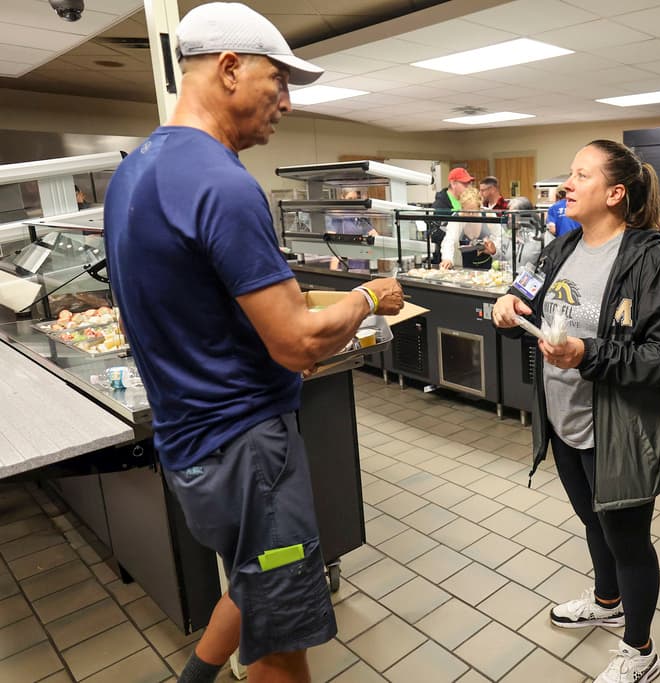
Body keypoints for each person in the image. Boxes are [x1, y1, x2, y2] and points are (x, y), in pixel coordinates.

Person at [103, 4, 405, 683]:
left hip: (191, 448)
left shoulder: (134, 172)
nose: (288, 102)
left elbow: (198, 300)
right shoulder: (223, 182)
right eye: (280, 80)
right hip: (248, 456)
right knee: (281, 638)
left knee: (255, 573)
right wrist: (367, 298)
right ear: (230, 68)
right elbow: (298, 344)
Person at [492, 139, 660, 683]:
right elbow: (532, 290)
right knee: (592, 521)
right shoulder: (562, 248)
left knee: (628, 539)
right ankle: (607, 600)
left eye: (580, 175)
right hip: (564, 420)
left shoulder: (649, 260)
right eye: (570, 173)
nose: (566, 184)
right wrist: (511, 300)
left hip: (619, 431)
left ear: (614, 193)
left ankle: (641, 649)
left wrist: (590, 353)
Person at [440, 186, 497, 270]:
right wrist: (447, 259)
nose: (470, 215)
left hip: (488, 268)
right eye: (467, 212)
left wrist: (494, 250)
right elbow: (449, 240)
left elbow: (500, 238)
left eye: (473, 212)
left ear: (479, 208)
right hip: (462, 267)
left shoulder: (489, 215)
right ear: (462, 208)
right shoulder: (456, 219)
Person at [428, 167, 474, 263]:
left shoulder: (468, 202)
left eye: (470, 183)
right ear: (453, 183)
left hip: (469, 257)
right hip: (448, 259)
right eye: (465, 184)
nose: (469, 187)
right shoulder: (440, 206)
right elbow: (436, 236)